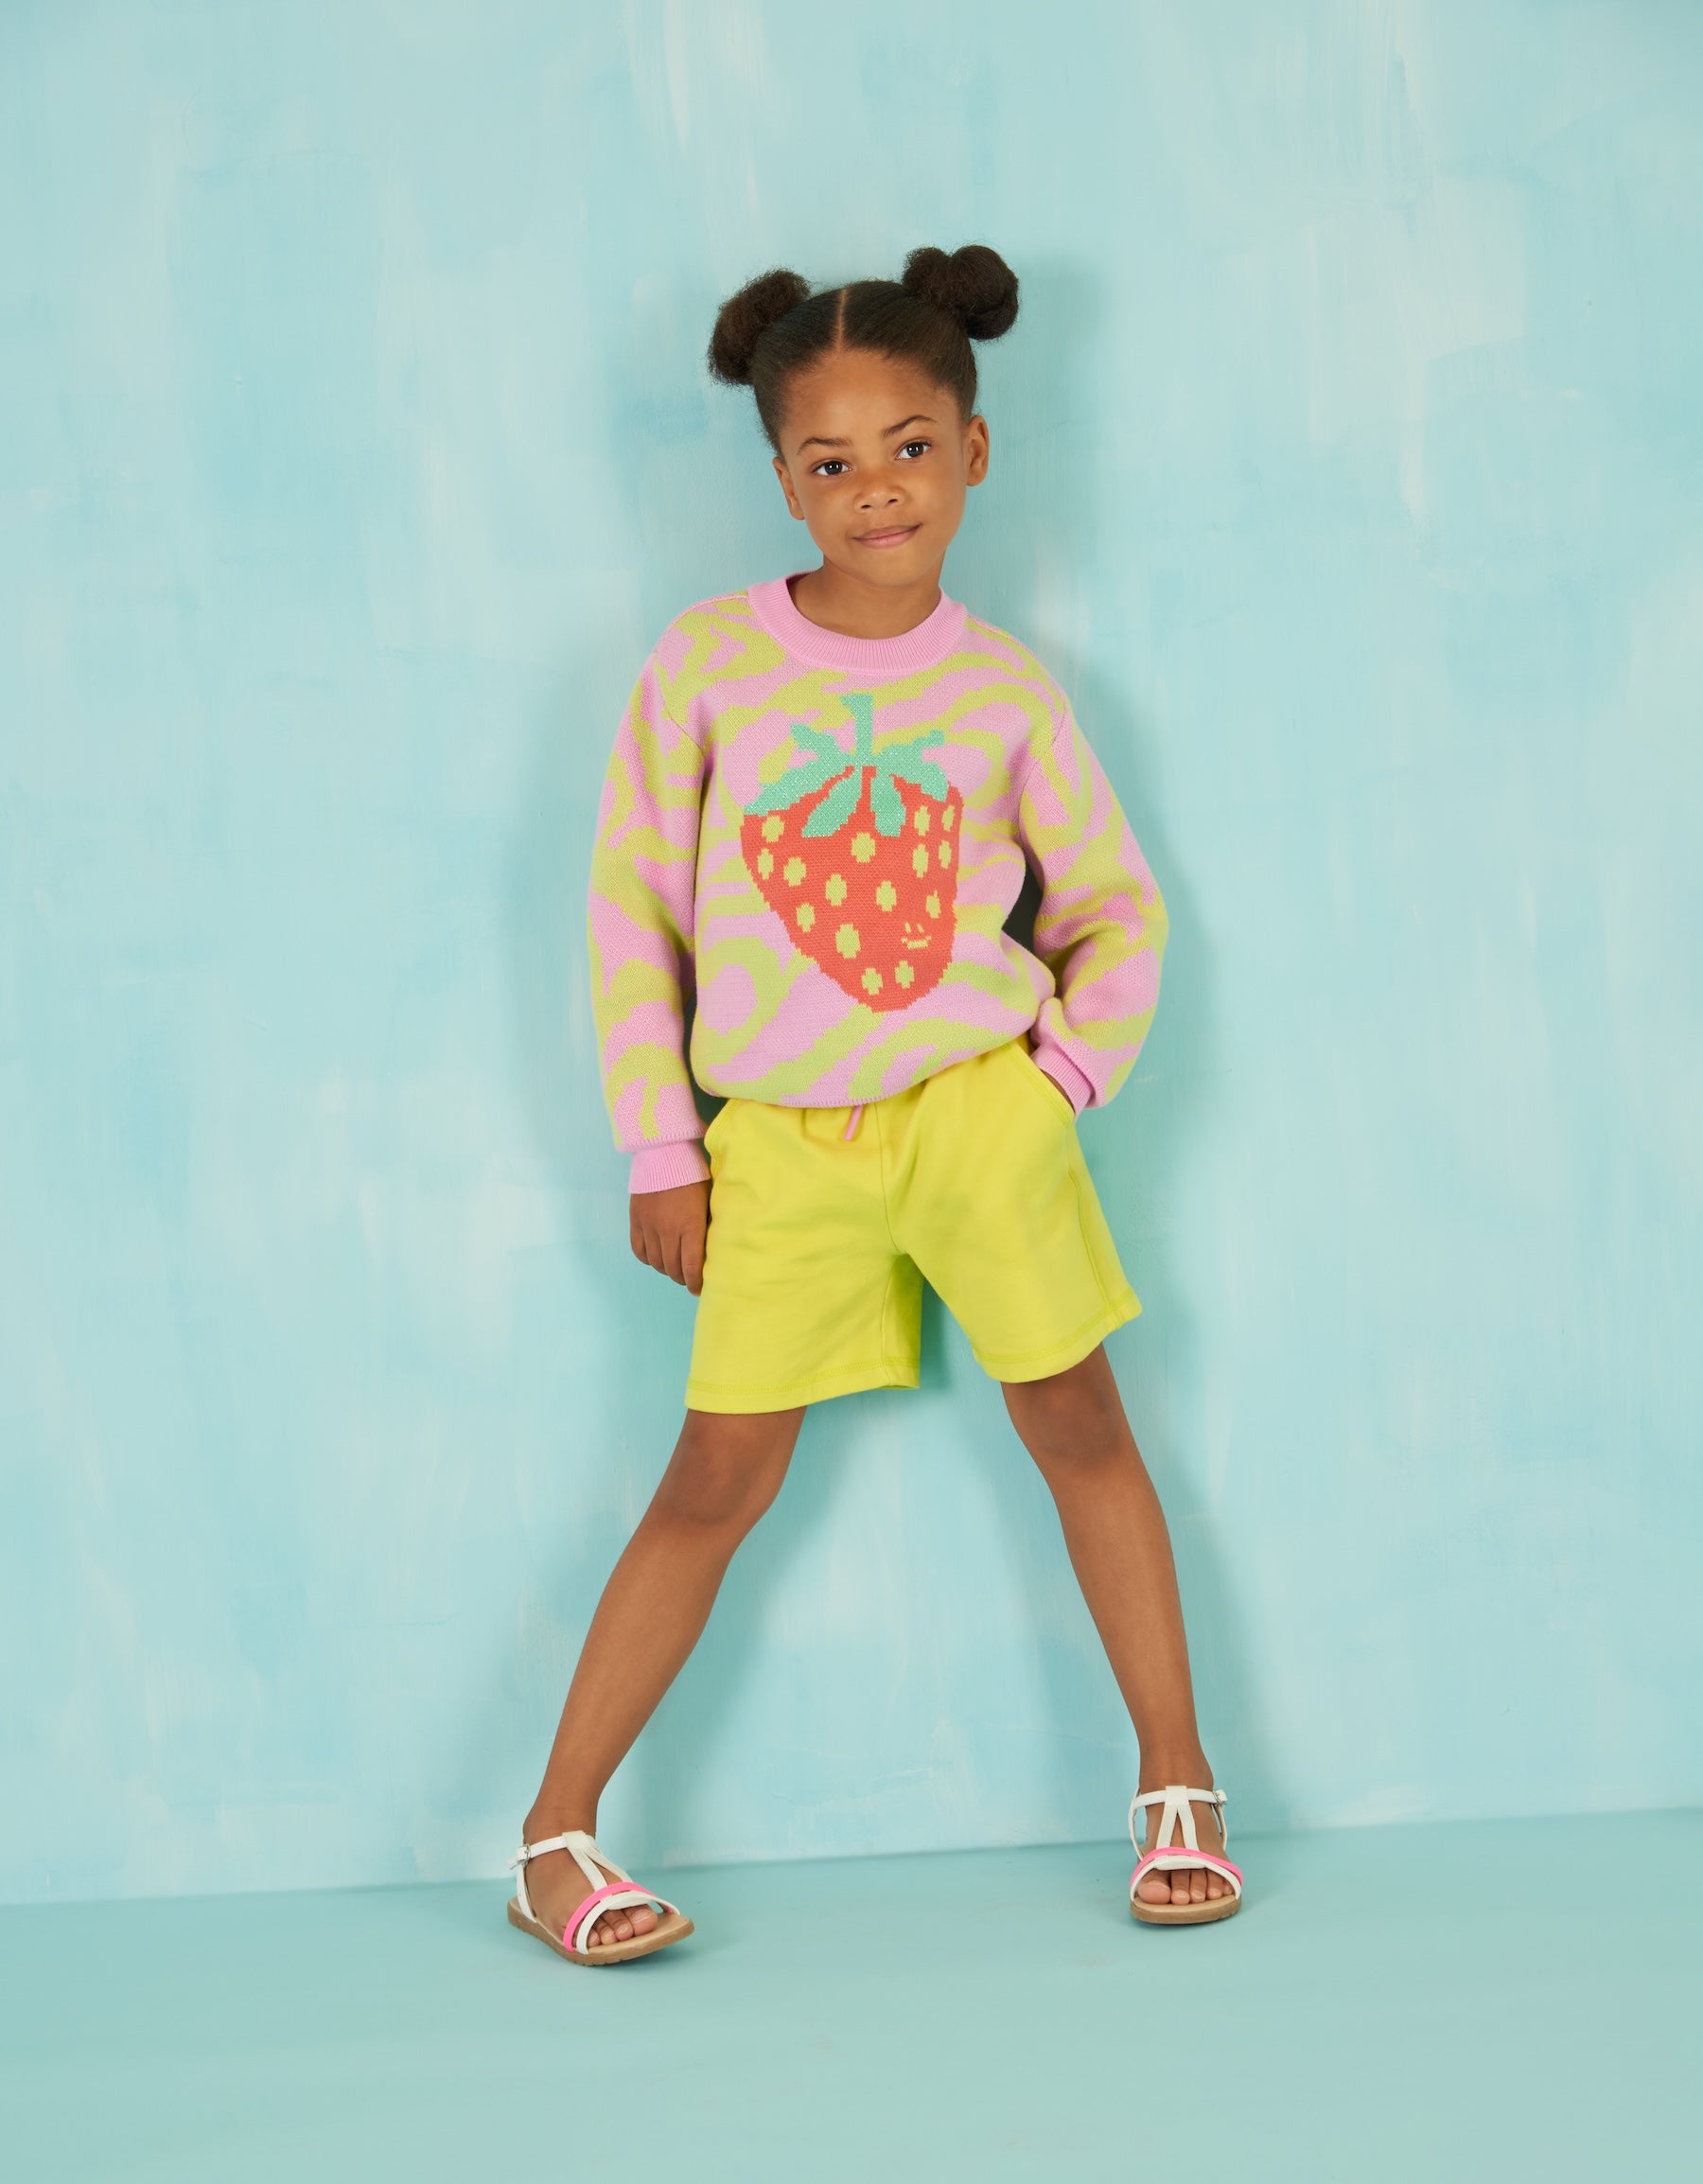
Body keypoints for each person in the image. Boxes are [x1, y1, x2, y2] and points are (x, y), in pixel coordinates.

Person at [506, 246, 1243, 1965]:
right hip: (777, 1144)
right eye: (830, 461)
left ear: (972, 451)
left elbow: (1114, 910)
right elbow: (634, 910)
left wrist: (1054, 1085)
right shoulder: (704, 665)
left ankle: (1180, 1777)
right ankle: (553, 1838)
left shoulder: (1005, 690)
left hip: (980, 1121)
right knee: (716, 1475)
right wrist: (663, 1143)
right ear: (783, 479)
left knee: (1083, 1429)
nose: (876, 489)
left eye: (910, 448)